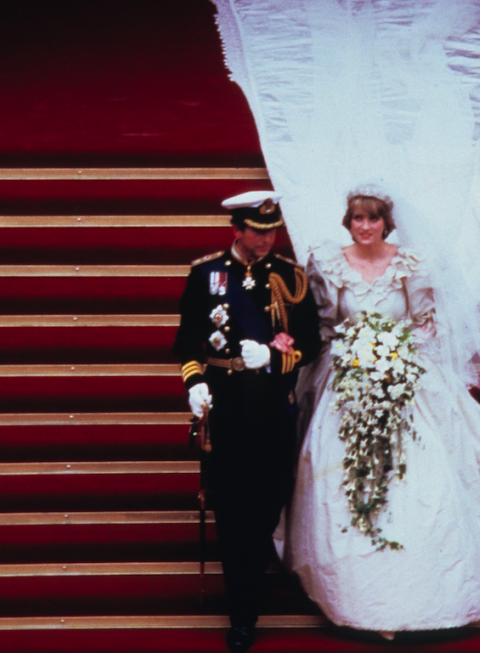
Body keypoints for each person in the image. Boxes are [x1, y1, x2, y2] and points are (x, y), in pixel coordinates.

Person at [281, 189, 480, 636]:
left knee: (418, 482)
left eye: (373, 219)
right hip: (347, 382)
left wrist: (393, 358)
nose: (365, 227)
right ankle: (361, 598)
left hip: (404, 378)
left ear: (386, 222)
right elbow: (325, 325)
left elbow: (424, 322)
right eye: (358, 219)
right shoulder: (328, 263)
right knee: (342, 480)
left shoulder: (409, 264)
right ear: (348, 220)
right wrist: (355, 358)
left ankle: (423, 592)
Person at [173, 190, 321, 652]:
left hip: (273, 410)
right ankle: (242, 612)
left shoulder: (290, 278)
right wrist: (194, 384)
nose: (266, 239)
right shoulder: (207, 275)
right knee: (232, 511)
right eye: (257, 232)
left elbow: (312, 344)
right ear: (236, 229)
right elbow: (186, 344)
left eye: (272, 230)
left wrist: (275, 363)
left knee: (267, 504)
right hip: (226, 410)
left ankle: (251, 579)